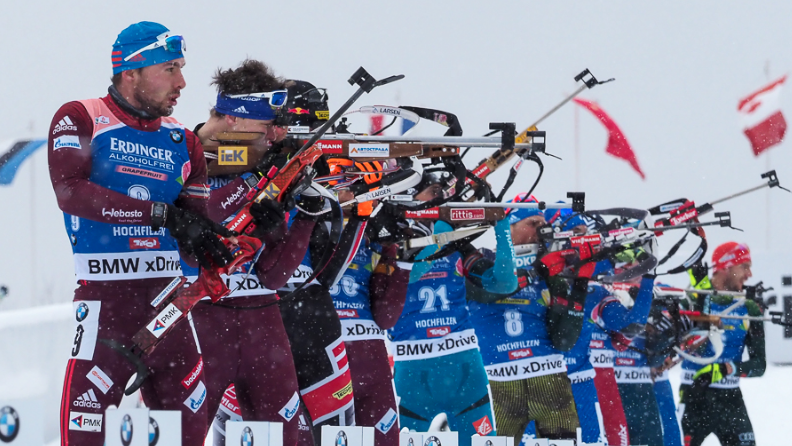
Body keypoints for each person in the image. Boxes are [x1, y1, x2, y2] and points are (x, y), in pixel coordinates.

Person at [50, 21, 233, 446]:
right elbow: (69, 192)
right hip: (106, 306)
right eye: (170, 68)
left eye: (181, 68)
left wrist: (228, 239)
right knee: (83, 436)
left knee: (189, 436)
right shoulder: (80, 116)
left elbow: (196, 232)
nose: (182, 82)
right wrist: (160, 215)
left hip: (169, 309)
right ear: (131, 71)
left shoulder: (183, 141)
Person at [185, 60, 319, 446]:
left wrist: (303, 217)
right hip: (202, 317)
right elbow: (201, 220)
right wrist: (251, 184)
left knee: (285, 438)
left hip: (263, 321)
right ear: (233, 119)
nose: (276, 134)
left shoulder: (260, 164)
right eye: (267, 125)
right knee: (184, 434)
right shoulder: (183, 152)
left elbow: (274, 275)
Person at [465, 197, 584, 445]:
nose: (540, 231)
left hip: (549, 378)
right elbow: (483, 293)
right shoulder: (485, 259)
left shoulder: (550, 268)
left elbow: (564, 341)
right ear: (508, 228)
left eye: (543, 224)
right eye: (532, 223)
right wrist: (533, 271)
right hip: (497, 382)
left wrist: (580, 282)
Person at [389, 176, 499, 446]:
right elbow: (412, 273)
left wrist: (491, 212)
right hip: (412, 365)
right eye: (434, 191)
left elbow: (497, 285)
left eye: (443, 192)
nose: (440, 198)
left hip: (462, 362)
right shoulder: (393, 234)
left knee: (483, 441)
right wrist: (442, 232)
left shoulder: (455, 239)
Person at [328, 188, 411, 446]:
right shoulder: (311, 224)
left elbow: (386, 317)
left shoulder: (375, 240)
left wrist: (401, 257)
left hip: (369, 358)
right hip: (323, 354)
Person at [680, 242, 765, 446]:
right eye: (744, 267)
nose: (749, 274)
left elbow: (759, 365)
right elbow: (685, 346)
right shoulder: (693, 298)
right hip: (695, 394)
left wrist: (728, 369)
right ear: (726, 266)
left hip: (731, 399)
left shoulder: (749, 307)